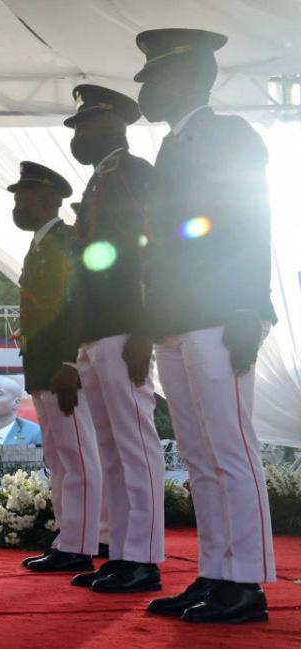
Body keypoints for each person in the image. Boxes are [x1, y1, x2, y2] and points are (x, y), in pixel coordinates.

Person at [128, 28, 276, 624]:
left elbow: (249, 218)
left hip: (220, 313)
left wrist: (246, 306)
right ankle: (215, 573)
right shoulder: (174, 146)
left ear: (188, 77)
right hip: (178, 319)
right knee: (197, 452)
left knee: (230, 448)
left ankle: (246, 585)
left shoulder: (226, 135)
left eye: (155, 77)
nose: (146, 90)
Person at [63, 85, 165, 594]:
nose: (78, 135)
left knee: (134, 445)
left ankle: (144, 559)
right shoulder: (100, 183)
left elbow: (151, 249)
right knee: (111, 449)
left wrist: (144, 327)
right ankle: (123, 555)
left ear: (112, 126)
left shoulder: (134, 173)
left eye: (85, 126)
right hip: (97, 329)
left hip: (125, 326)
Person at [7, 162, 103, 574]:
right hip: (42, 365)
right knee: (60, 456)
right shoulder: (42, 245)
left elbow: (77, 305)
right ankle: (69, 539)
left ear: (48, 199)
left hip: (61, 366)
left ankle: (83, 543)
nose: (17, 205)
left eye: (22, 196)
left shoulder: (65, 241)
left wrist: (70, 360)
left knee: (78, 456)